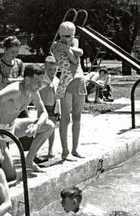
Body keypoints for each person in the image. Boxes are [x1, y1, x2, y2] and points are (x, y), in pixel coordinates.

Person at [0, 65, 55, 180]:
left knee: (49, 126)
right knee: (11, 176)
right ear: (27, 79)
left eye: (42, 82)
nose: (40, 85)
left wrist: (37, 125)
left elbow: (43, 112)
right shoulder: (15, 89)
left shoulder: (33, 92)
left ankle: (29, 160)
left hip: (13, 127)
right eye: (38, 82)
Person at [51, 21, 87, 160]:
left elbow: (77, 56)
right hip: (66, 82)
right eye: (66, 36)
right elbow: (73, 59)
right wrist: (69, 49)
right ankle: (65, 150)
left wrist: (67, 48)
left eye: (71, 36)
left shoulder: (74, 41)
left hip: (79, 81)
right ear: (60, 34)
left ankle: (75, 149)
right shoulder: (55, 45)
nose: (69, 39)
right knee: (65, 118)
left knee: (77, 117)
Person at [60, 186, 136, 216]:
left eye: (64, 201)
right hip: (114, 215)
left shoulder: (81, 213)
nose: (61, 203)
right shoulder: (81, 209)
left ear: (74, 202)